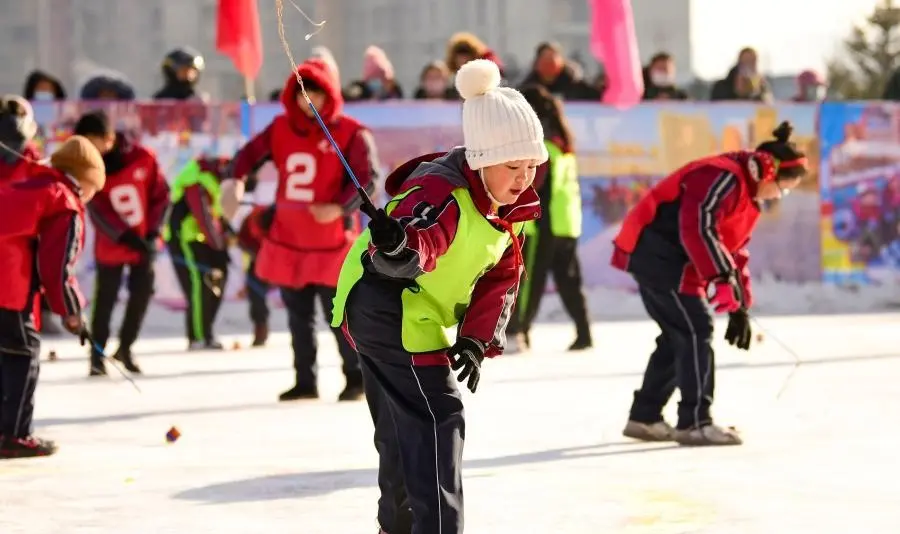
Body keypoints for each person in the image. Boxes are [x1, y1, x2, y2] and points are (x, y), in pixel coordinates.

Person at [330, 59, 546, 534]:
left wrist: (474, 339)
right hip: (385, 301)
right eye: (513, 166)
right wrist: (397, 244)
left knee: (401, 422)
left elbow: (503, 278)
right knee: (436, 415)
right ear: (480, 159)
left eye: (532, 165)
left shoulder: (509, 208)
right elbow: (420, 242)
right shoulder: (442, 192)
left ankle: (399, 526)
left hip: (407, 305)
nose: (524, 178)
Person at [611, 121, 808, 446]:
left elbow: (733, 248)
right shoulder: (722, 177)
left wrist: (740, 306)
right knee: (694, 329)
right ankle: (695, 422)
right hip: (657, 257)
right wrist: (720, 278)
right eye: (783, 187)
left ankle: (644, 417)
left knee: (679, 335)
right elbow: (697, 228)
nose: (780, 195)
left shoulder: (747, 192)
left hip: (675, 264)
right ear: (770, 173)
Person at [223, 58, 381, 402]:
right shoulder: (279, 129)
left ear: (330, 94)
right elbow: (246, 157)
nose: (308, 100)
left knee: (339, 316)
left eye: (316, 92)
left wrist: (340, 208)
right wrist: (233, 182)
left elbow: (367, 180)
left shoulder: (350, 132)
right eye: (301, 92)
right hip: (288, 240)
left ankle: (355, 378)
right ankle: (305, 380)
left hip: (331, 242)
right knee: (298, 318)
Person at [0, 136, 105, 458]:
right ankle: (14, 435)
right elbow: (56, 264)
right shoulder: (63, 200)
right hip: (7, 287)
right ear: (82, 180)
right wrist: (71, 311)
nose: (88, 198)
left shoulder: (24, 187)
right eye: (91, 190)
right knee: (23, 353)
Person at [74, 110, 169, 375]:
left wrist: (152, 233)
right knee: (105, 300)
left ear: (109, 138)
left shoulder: (143, 157)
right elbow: (98, 209)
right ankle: (97, 355)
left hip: (144, 244)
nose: (92, 150)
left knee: (141, 296)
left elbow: (161, 195)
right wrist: (124, 236)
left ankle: (126, 347)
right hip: (113, 246)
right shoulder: (89, 170)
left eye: (95, 143)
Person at [506, 85, 592, 353]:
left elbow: (536, 188)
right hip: (567, 222)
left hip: (543, 224)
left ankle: (518, 332)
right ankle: (583, 331)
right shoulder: (563, 144)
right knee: (567, 281)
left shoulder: (540, 148)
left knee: (528, 280)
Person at [164, 157, 232, 350]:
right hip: (184, 239)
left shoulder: (214, 181)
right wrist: (219, 246)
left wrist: (224, 238)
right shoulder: (196, 180)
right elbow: (203, 217)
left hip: (202, 240)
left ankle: (206, 331)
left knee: (216, 282)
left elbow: (214, 216)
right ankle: (199, 336)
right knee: (199, 285)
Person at [236, 204, 273, 347]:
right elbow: (242, 242)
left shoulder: (278, 223)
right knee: (257, 296)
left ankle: (261, 328)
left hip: (282, 255)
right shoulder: (250, 222)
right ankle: (260, 329)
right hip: (257, 260)